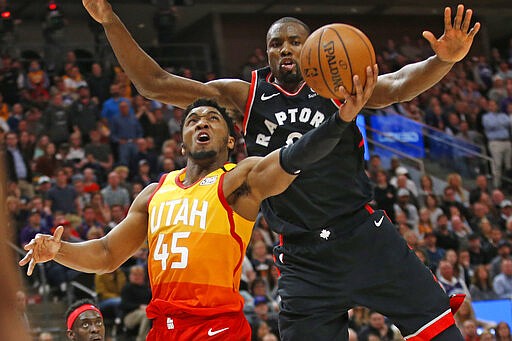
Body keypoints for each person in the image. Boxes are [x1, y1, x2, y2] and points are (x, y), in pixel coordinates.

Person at [82, 1, 480, 339]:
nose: (286, 48)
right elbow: (155, 83)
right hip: (302, 255)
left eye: (295, 41)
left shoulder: (338, 82)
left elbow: (397, 85)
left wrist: (441, 60)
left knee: (441, 331)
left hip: (363, 236)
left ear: (312, 48)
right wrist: (109, 21)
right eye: (276, 44)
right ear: (267, 53)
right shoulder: (245, 94)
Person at [20, 92, 372, 339]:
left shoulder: (239, 179)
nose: (201, 122)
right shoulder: (155, 192)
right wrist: (58, 251)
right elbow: (107, 254)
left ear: (231, 140)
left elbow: (291, 160)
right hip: (163, 329)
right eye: (193, 120)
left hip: (216, 328)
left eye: (212, 119)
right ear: (183, 142)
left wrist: (338, 121)